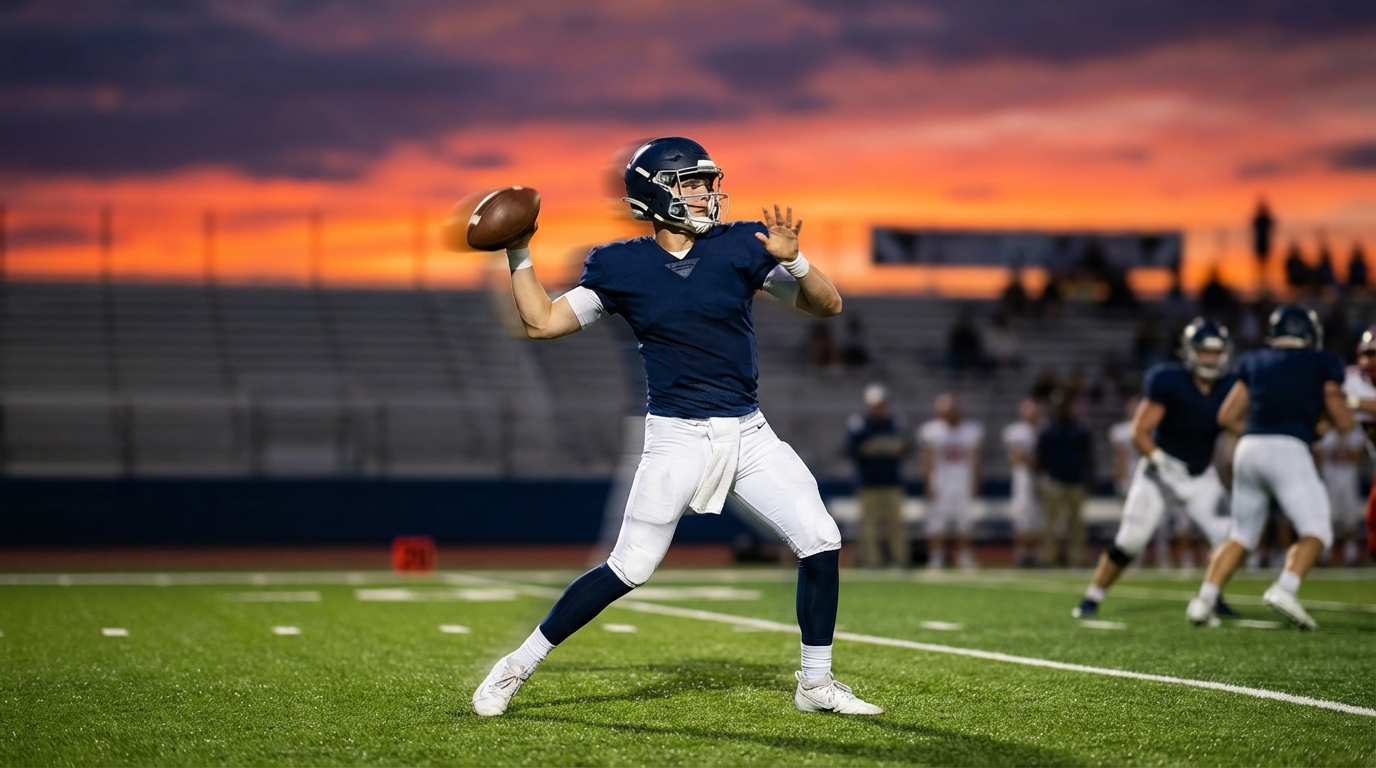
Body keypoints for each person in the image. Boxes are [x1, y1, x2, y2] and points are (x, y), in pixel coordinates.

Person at [473, 136, 881, 715]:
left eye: (708, 182)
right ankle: (516, 666)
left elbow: (827, 305)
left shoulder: (741, 245)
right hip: (676, 436)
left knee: (821, 538)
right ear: (654, 193)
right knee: (630, 566)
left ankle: (815, 684)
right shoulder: (621, 265)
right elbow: (542, 323)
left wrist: (795, 260)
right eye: (692, 183)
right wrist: (518, 252)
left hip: (749, 433)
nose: (706, 193)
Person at [1186, 305, 1354, 629]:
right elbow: (1344, 420)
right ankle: (1285, 588)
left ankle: (1203, 600)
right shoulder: (1323, 361)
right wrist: (1331, 421)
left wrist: (1259, 432)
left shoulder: (1256, 361)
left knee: (1242, 534)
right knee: (1317, 529)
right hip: (1288, 448)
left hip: (1249, 448)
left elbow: (1226, 417)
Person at [1074, 321, 1237, 619]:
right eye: (1204, 352)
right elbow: (1140, 431)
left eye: (1216, 352)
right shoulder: (1168, 380)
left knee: (1229, 540)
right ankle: (1092, 597)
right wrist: (1161, 461)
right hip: (1161, 472)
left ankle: (1212, 596)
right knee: (1131, 540)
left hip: (1201, 474)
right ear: (1190, 353)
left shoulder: (1230, 385)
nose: (1210, 359)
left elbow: (1237, 425)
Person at [846, 383, 910, 569]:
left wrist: (895, 449)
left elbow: (907, 447)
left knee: (896, 524)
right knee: (869, 525)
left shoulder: (895, 422)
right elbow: (850, 449)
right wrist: (866, 449)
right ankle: (872, 562)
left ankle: (900, 561)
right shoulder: (859, 423)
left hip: (891, 481)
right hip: (868, 482)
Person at [919, 393, 983, 568]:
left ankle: (964, 556)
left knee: (964, 522)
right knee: (937, 523)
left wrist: (976, 482)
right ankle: (936, 556)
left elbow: (975, 460)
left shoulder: (970, 431)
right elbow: (927, 460)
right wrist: (928, 483)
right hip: (940, 483)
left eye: (952, 409)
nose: (950, 413)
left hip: (963, 482)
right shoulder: (933, 431)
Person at [1036, 391, 1092, 567]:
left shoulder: (1080, 428)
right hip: (1054, 481)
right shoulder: (1048, 429)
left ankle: (1077, 558)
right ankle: (1048, 558)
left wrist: (1090, 479)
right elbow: (1040, 456)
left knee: (1076, 525)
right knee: (1051, 524)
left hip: (1075, 481)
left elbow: (1088, 457)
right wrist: (1042, 477)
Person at [1340, 326, 1376, 561]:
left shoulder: (1352, 391)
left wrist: (1353, 402)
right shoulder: (1350, 378)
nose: (1369, 361)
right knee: (1372, 522)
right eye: (1367, 354)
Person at [1313, 425, 1364, 566]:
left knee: (1350, 519)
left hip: (1349, 480)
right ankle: (1324, 555)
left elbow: (1357, 458)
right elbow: (1318, 458)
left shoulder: (1354, 431)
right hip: (1329, 480)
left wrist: (1344, 439)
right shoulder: (1325, 431)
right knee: (1327, 518)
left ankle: (1351, 554)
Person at [1002, 398, 1041, 567]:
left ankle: (1035, 553)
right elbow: (1018, 457)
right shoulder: (1015, 431)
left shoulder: (1044, 429)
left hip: (1041, 477)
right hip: (1023, 477)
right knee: (1022, 516)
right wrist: (1035, 459)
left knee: (1038, 517)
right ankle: (1021, 553)